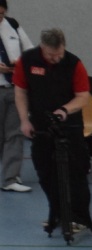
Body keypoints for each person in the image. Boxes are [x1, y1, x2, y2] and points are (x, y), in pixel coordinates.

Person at [12, 28, 92, 232]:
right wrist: (24, 120)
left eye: (59, 54)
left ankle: (79, 216)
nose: (56, 59)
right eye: (51, 55)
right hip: (40, 126)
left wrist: (65, 110)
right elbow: (21, 92)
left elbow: (83, 96)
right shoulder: (27, 61)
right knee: (45, 172)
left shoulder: (74, 63)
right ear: (42, 47)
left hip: (69, 125)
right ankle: (57, 212)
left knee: (76, 172)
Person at [0, 0, 33, 193]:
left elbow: (29, 50)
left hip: (14, 89)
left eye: (1, 13)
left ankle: (11, 178)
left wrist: (18, 62)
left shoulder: (12, 25)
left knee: (15, 133)